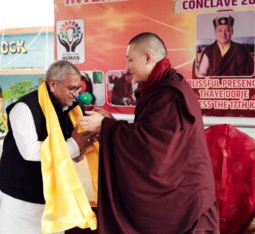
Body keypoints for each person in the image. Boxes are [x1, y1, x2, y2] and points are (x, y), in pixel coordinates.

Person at [80, 32, 220, 233]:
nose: (127, 66)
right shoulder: (162, 86)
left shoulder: (169, 93)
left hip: (185, 197)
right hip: (185, 189)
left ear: (148, 57)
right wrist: (110, 122)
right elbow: (149, 132)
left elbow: (151, 145)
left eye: (130, 60)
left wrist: (105, 127)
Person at [0, 61, 99, 234]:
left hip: (53, 194)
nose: (76, 95)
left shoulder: (71, 108)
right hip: (20, 198)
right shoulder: (24, 108)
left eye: (78, 89)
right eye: (71, 88)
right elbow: (30, 151)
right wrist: (73, 146)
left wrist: (81, 149)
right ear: (53, 84)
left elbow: (70, 148)